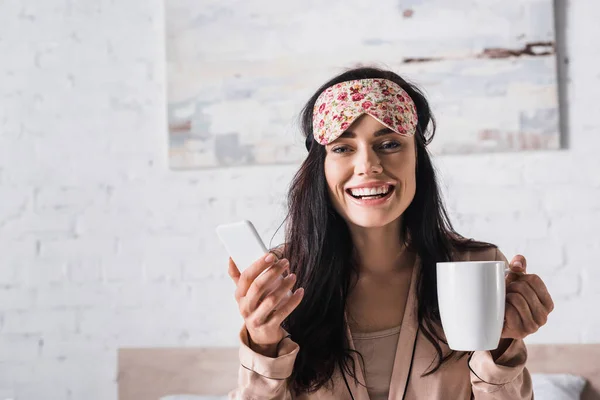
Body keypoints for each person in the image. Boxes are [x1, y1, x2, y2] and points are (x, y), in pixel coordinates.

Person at [226, 67, 554, 399]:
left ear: (416, 158)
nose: (368, 164)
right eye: (342, 148)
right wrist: (262, 345)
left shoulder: (478, 266)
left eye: (389, 143)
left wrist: (501, 346)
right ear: (320, 166)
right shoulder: (284, 280)